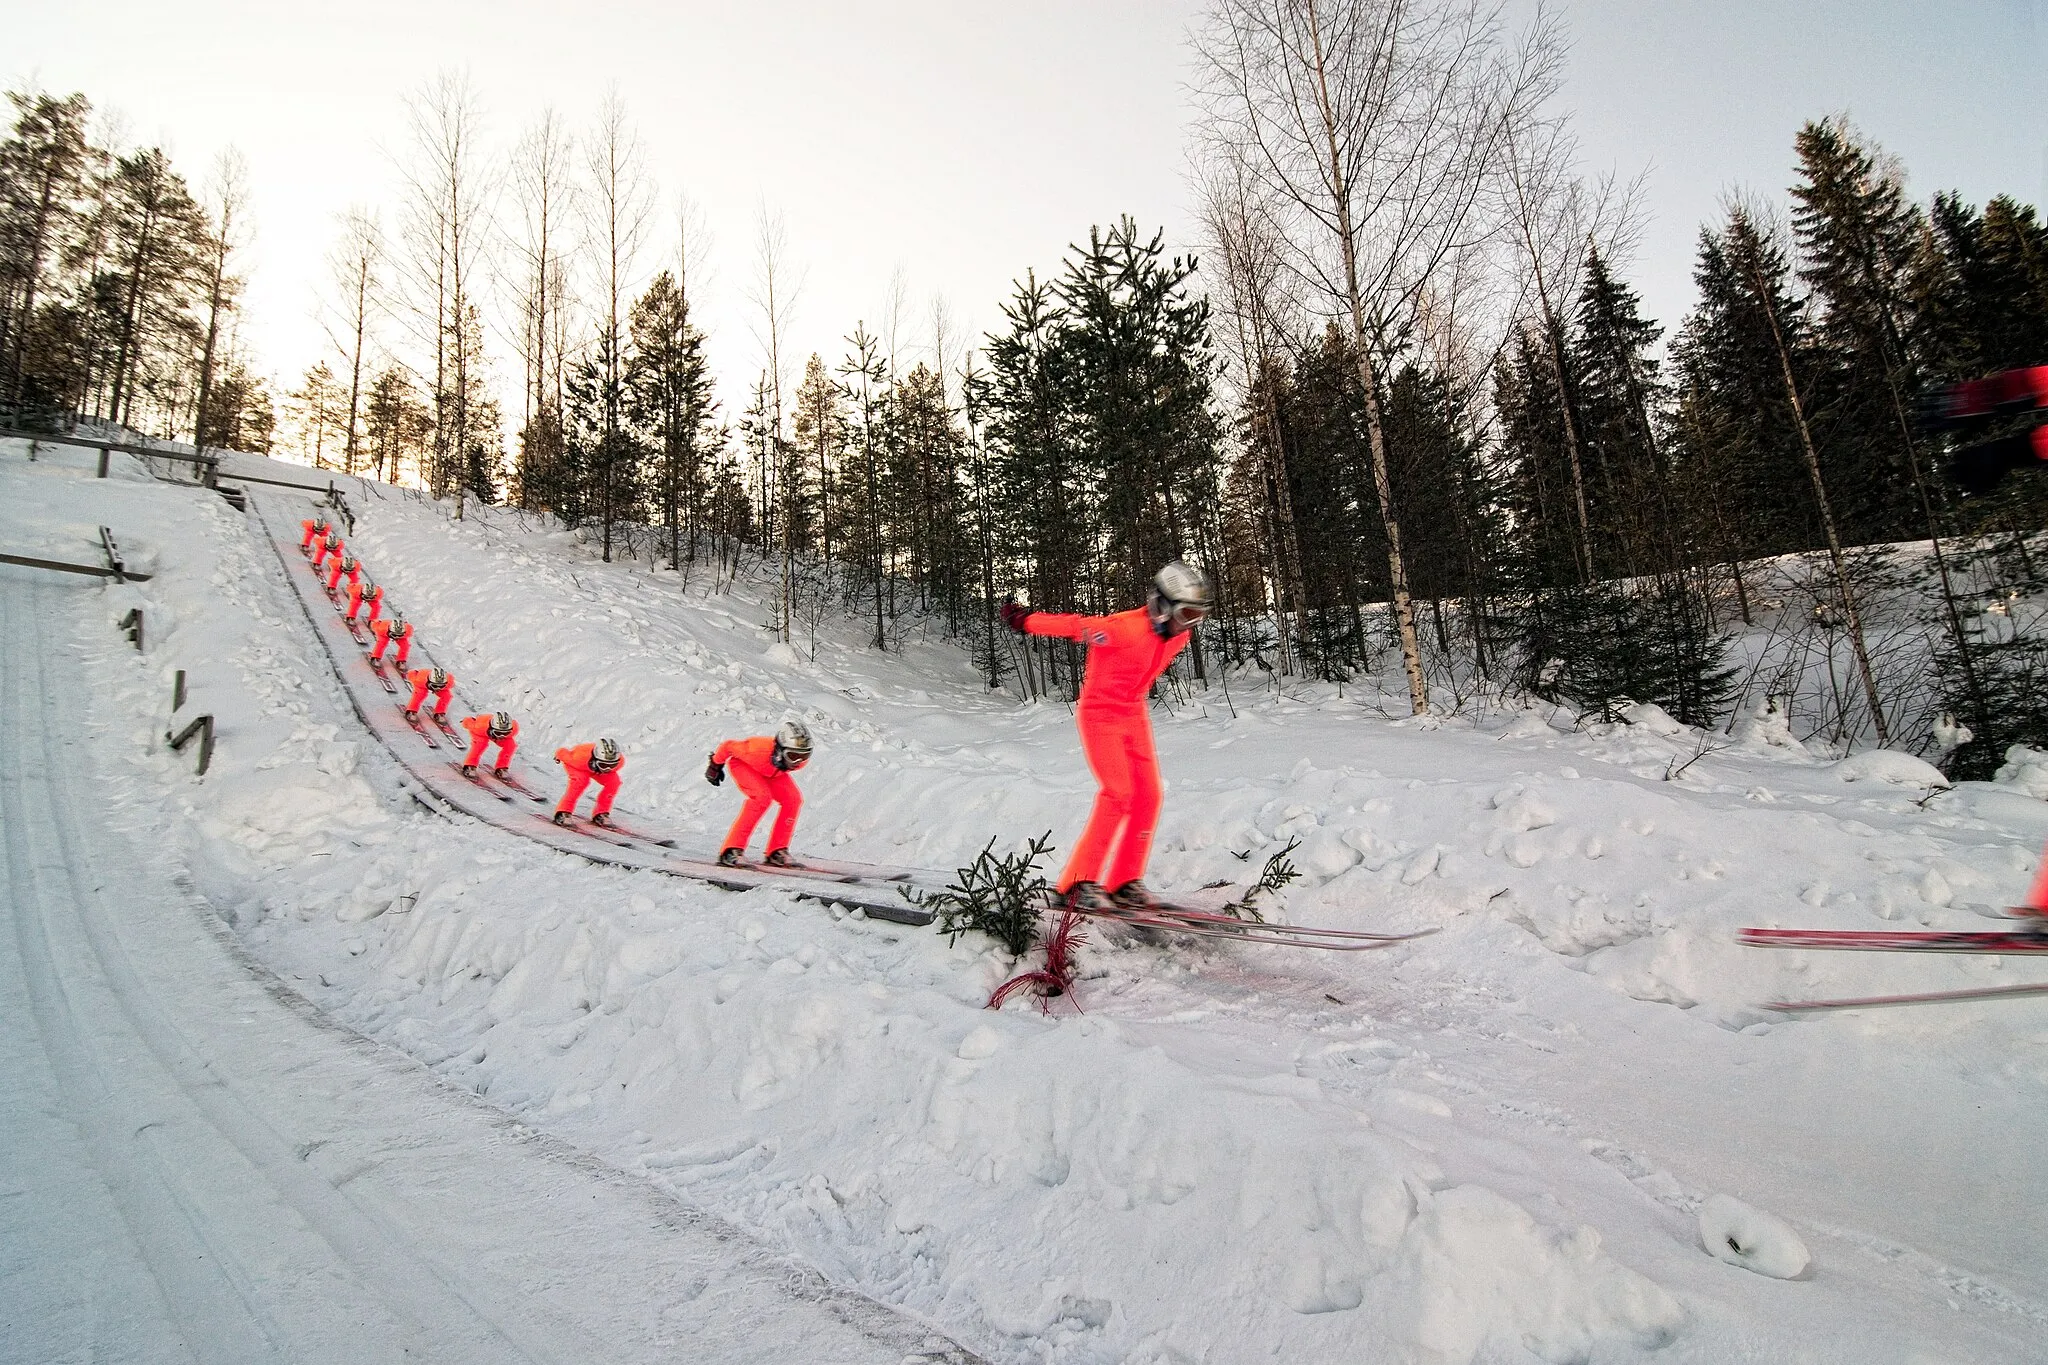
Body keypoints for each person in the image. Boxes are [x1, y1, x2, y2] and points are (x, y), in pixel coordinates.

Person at [1000, 560, 1212, 913]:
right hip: (1100, 715)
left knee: (1148, 795)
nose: (1190, 625)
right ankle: (1077, 884)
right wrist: (1026, 620)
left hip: (1133, 714)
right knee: (1118, 793)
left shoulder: (1179, 635)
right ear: (1162, 606)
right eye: (1187, 613)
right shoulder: (1121, 630)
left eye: (1197, 616)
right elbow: (1075, 627)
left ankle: (1124, 882)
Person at [705, 720, 812, 867]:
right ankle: (731, 851)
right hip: (745, 765)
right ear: (780, 750)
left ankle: (777, 851)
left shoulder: (793, 762)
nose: (798, 762)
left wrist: (790, 760)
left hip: (774, 772)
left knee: (793, 800)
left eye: (804, 756)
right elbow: (728, 746)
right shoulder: (756, 750)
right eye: (793, 756)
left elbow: (782, 765)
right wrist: (715, 765)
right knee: (761, 798)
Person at [554, 738, 624, 826]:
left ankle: (601, 813)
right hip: (579, 767)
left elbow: (608, 768)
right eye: (603, 765)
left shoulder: (619, 762)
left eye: (612, 765)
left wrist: (604, 767)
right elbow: (563, 753)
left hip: (596, 769)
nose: (608, 768)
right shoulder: (578, 758)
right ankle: (563, 811)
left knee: (614, 783)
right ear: (596, 759)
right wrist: (559, 755)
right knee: (580, 782)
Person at [459, 712, 519, 778]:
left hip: (492, 732)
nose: (501, 736)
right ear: (492, 728)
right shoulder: (479, 726)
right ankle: (470, 765)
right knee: (480, 745)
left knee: (510, 746)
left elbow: (503, 735)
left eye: (505, 733)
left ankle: (502, 767)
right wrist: (465, 721)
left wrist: (501, 734)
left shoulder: (513, 730)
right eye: (498, 733)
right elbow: (468, 722)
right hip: (481, 733)